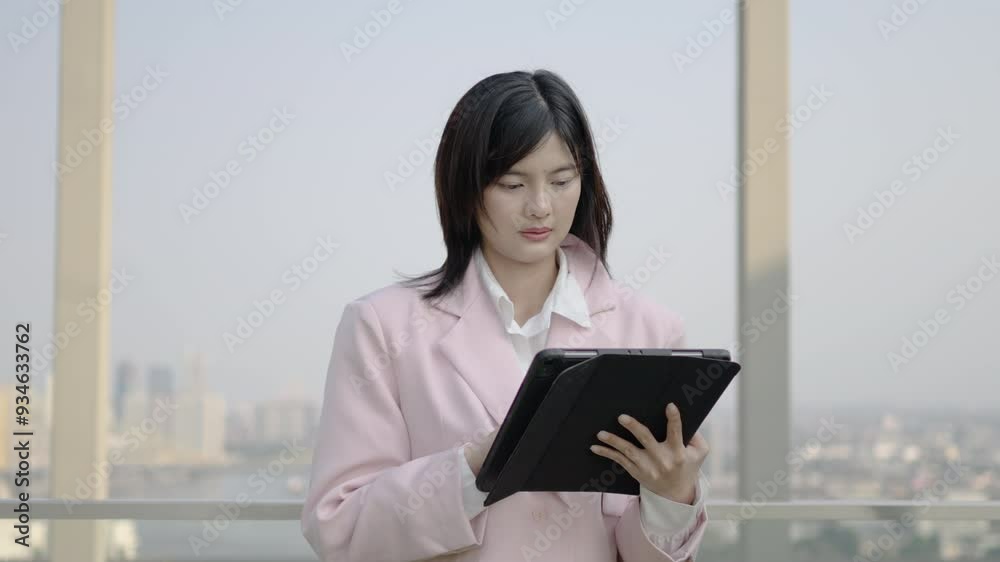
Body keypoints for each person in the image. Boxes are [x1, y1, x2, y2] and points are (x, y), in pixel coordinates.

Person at [301, 69, 711, 562]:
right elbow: (340, 529)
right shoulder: (383, 327)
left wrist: (670, 496)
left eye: (562, 181)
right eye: (512, 183)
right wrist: (477, 463)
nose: (541, 207)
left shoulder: (650, 330)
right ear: (466, 188)